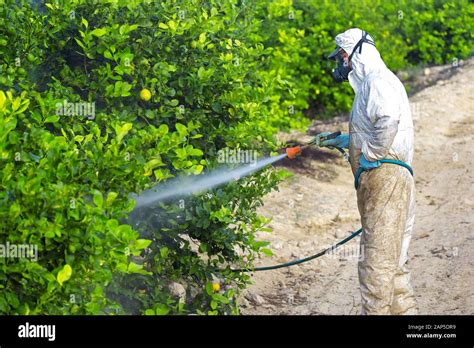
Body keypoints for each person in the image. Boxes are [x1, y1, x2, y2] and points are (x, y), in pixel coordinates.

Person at [315, 28, 417, 315]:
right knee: (393, 262)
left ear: (357, 52)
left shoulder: (377, 80)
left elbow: (387, 121)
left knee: (376, 263)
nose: (342, 62)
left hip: (384, 176)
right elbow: (379, 123)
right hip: (391, 176)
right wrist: (350, 142)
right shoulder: (378, 81)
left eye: (343, 56)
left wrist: (369, 156)